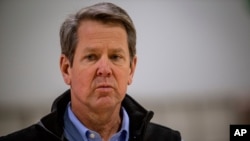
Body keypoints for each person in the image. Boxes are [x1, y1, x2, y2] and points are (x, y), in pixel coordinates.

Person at [0, 2, 181, 141]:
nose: (104, 70)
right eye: (91, 57)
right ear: (66, 69)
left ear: (131, 69)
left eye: (116, 57)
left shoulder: (167, 139)